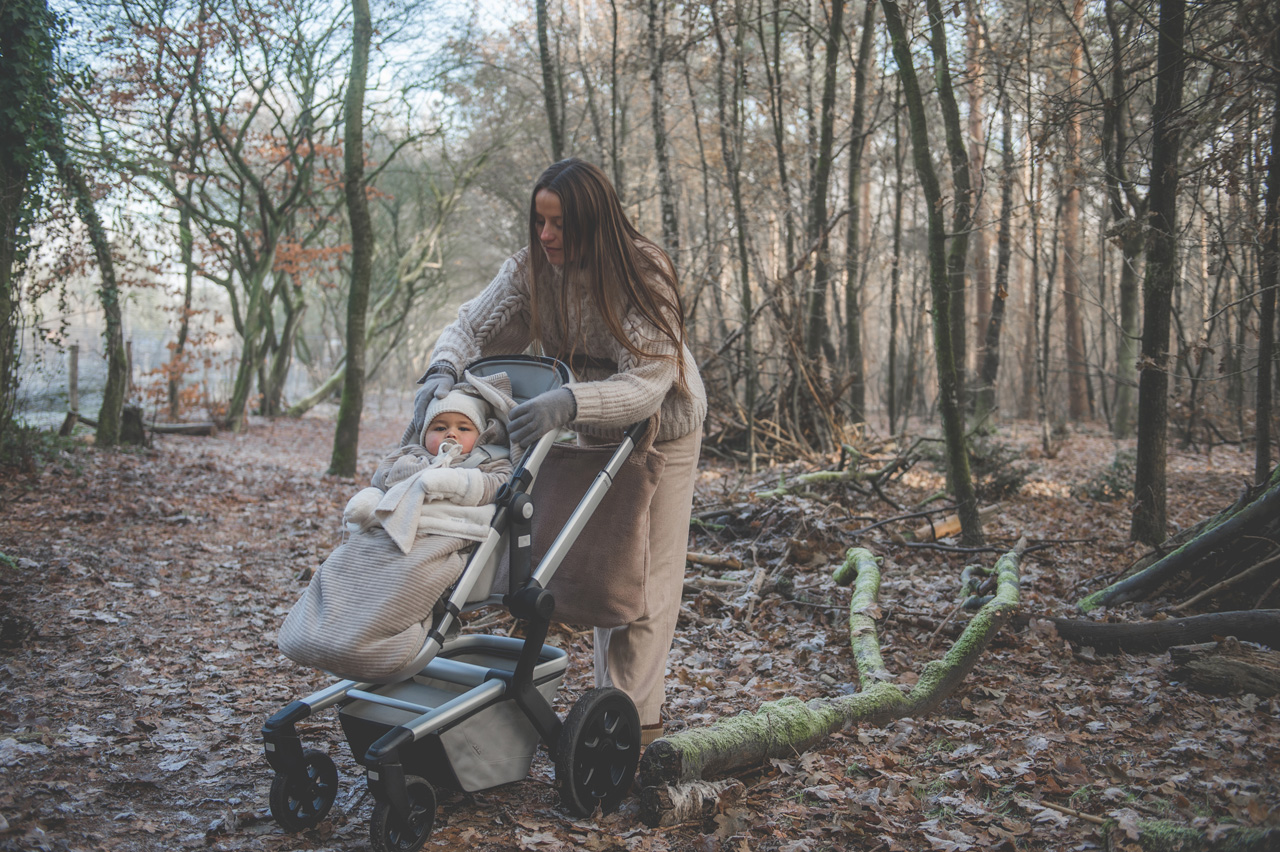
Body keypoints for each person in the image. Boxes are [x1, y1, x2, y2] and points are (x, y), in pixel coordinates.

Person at [407, 158, 706, 744]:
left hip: (662, 427)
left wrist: (568, 403)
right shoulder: (530, 269)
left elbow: (648, 381)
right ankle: (609, 707)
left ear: (594, 223)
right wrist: (440, 371)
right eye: (539, 222)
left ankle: (634, 730)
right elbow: (470, 325)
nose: (545, 236)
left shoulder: (642, 274)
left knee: (646, 576)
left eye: (560, 225)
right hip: (590, 417)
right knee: (604, 570)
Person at [278, 373, 516, 681]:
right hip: (387, 532)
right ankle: (321, 633)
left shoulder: (489, 460)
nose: (451, 434)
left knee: (409, 575)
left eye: (463, 428)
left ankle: (376, 642)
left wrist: (453, 482)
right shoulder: (412, 457)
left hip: (440, 535)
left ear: (481, 434)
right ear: (424, 433)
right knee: (343, 563)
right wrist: (373, 498)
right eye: (440, 427)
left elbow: (500, 485)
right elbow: (382, 478)